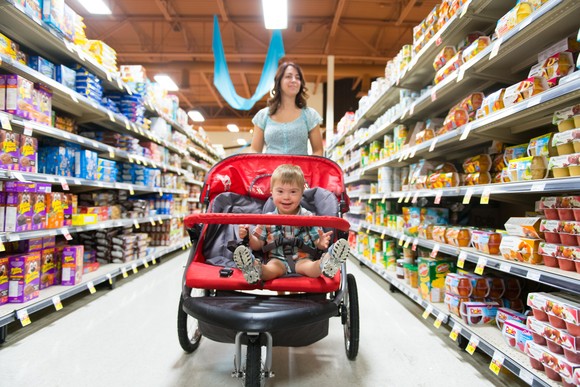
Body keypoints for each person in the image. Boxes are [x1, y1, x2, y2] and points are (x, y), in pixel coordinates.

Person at [233, 164, 349, 284]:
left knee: (312, 268)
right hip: (277, 260)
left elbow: (317, 243)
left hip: (302, 259)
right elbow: (257, 245)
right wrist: (248, 237)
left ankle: (327, 262)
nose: (286, 197)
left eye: (293, 192)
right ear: (272, 192)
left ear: (302, 193)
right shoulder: (267, 219)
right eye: (280, 191)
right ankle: (253, 268)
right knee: (268, 270)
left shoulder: (308, 217)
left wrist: (321, 243)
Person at [249, 62, 324, 156]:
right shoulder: (263, 116)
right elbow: (255, 151)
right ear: (279, 82)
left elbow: (318, 151)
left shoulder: (310, 115)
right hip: (271, 170)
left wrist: (311, 169)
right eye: (288, 76)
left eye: (298, 78)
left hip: (301, 170)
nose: (294, 80)